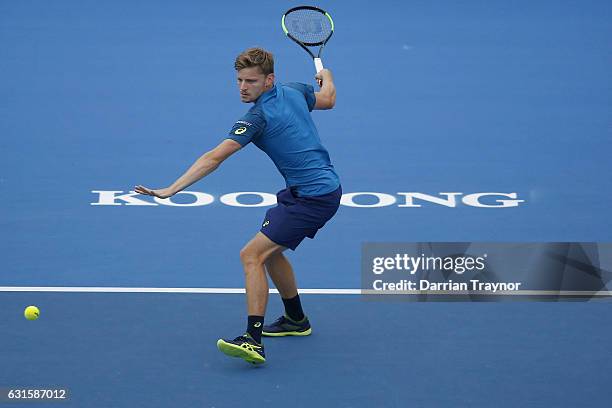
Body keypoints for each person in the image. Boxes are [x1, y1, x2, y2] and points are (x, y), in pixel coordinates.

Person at [134, 47, 341, 364]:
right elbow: (328, 99)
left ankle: (252, 340)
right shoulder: (297, 90)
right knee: (271, 254)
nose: (243, 87)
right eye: (240, 80)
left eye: (251, 81)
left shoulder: (257, 118)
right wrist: (327, 78)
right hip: (310, 191)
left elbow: (214, 158)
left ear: (269, 80)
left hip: (314, 198)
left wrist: (172, 188)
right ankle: (296, 320)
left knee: (251, 255)